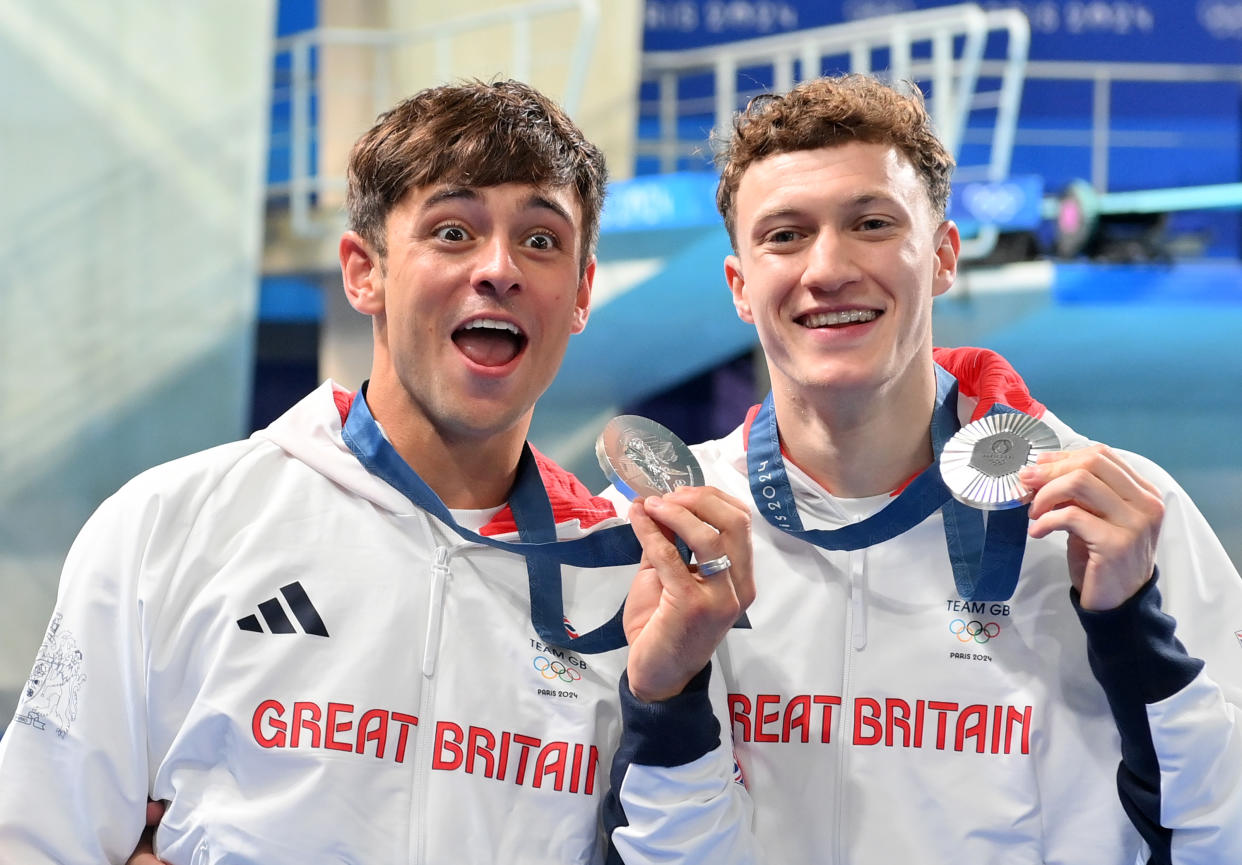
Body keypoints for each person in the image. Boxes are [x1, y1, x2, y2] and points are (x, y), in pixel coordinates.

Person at [0, 79, 752, 864]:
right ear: (364, 273)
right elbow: (40, 836)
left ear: (581, 293)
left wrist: (672, 701)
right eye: (453, 231)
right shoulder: (173, 523)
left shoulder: (630, 578)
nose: (500, 268)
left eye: (540, 240)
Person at [605, 73, 1242, 864]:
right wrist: (665, 698)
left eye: (872, 223)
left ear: (942, 257)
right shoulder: (655, 533)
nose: (828, 267)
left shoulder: (1126, 519)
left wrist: (1132, 626)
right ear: (741, 286)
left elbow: (1224, 834)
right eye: (784, 235)